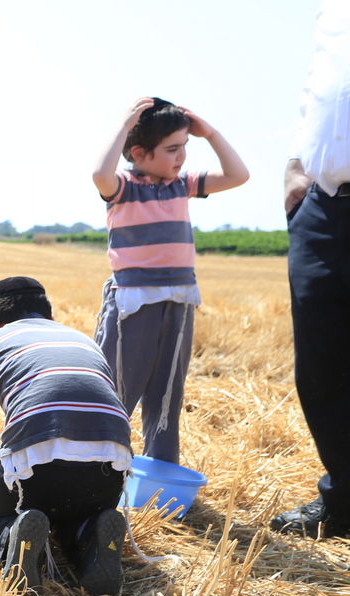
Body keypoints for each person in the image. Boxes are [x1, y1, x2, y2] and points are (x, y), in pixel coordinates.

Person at [92, 97, 249, 465]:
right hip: (134, 302)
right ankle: (98, 468)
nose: (181, 157)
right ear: (139, 153)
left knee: (167, 394)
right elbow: (100, 174)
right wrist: (123, 125)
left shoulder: (182, 185)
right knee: (116, 388)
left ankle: (161, 472)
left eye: (185, 148)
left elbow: (239, 175)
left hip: (179, 299)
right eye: (172, 149)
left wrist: (209, 132)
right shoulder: (124, 187)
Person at [0, 277, 132, 596]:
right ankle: (94, 533)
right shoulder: (84, 341)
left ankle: (12, 534)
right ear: (50, 318)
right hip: (110, 464)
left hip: (36, 469)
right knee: (72, 515)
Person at [272, 1, 350, 538]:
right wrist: (297, 165)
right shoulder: (331, 12)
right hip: (322, 204)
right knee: (321, 370)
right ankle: (344, 502)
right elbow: (319, 95)